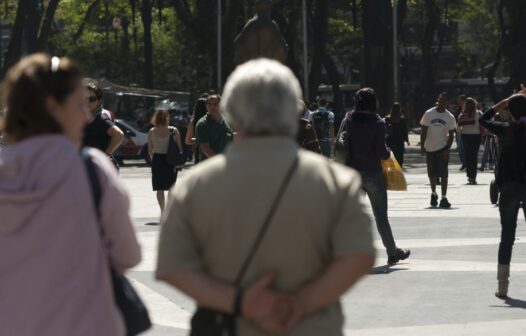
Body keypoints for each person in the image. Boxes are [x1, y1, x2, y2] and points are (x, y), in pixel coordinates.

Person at [156, 59, 375, 335]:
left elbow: (171, 267)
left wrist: (241, 302)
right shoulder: (337, 183)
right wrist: (302, 303)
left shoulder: (196, 186)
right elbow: (360, 256)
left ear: (232, 116)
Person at [0, 53, 141, 335]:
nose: (87, 114)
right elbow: (128, 255)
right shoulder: (92, 169)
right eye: (79, 104)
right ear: (53, 107)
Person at [345, 88, 410, 266]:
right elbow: (382, 153)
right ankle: (392, 252)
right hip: (373, 173)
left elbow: (342, 142)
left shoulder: (348, 119)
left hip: (352, 175)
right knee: (381, 216)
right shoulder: (378, 123)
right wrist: (389, 153)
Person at [479, 87, 526, 298]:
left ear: (509, 110)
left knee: (507, 236)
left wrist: (503, 102)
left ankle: (503, 286)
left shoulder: (505, 129)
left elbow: (483, 120)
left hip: (509, 186)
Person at [420, 92, 456, 208]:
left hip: (442, 148)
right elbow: (424, 130)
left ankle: (444, 197)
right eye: (440, 100)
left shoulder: (449, 117)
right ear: (438, 100)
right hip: (430, 148)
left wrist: (447, 149)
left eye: (444, 101)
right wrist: (422, 146)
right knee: (432, 174)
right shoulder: (428, 114)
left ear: (447, 103)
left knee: (444, 174)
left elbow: (451, 135)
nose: (442, 103)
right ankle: (433, 193)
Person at [83, 81, 124, 170]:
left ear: (99, 101)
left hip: (102, 169)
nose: (87, 102)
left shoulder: (101, 117)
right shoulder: (80, 117)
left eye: (92, 99)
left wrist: (106, 155)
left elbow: (119, 135)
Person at [148, 109, 183, 212]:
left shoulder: (152, 131)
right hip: (171, 160)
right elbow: (179, 148)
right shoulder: (173, 130)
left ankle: (162, 211)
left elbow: (150, 150)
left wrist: (153, 160)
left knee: (159, 188)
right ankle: (169, 211)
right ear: (167, 118)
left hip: (157, 160)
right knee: (172, 187)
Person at [195, 94, 234, 161]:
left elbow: (231, 141)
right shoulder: (202, 124)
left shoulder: (227, 121)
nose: (212, 107)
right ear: (206, 106)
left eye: (215, 104)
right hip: (210, 166)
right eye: (209, 104)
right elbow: (205, 148)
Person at [457, 97, 483, 184]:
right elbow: (483, 124)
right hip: (476, 136)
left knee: (468, 156)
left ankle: (469, 176)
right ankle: (473, 177)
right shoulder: (479, 113)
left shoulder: (462, 114)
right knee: (474, 156)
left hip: (465, 136)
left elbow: (457, 128)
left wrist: (462, 130)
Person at [385, 102, 409, 166]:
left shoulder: (387, 119)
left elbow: (384, 130)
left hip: (389, 142)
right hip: (399, 143)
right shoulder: (402, 120)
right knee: (399, 161)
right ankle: (397, 174)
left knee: (390, 161)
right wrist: (406, 140)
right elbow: (405, 131)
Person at [185, 98, 208, 164]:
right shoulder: (213, 119)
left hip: (199, 151)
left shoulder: (193, 121)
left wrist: (198, 140)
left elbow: (188, 141)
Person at [455, 94, 467, 171]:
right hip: (459, 131)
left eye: (460, 100)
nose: (458, 102)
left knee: (466, 148)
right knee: (460, 148)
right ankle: (464, 163)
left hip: (467, 131)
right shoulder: (458, 110)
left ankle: (467, 164)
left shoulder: (470, 109)